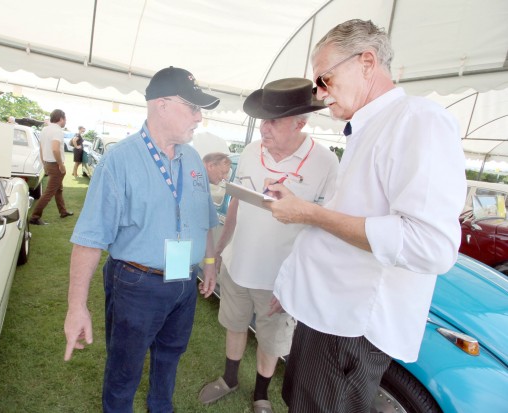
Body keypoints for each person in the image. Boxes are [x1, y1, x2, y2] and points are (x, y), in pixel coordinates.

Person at [264, 19, 466, 413]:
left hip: (349, 330)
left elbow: (431, 245)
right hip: (328, 318)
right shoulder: (371, 129)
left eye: (324, 79)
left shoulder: (418, 120)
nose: (320, 94)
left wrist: (310, 213)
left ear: (367, 62)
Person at [64, 66, 221, 413]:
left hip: (184, 281)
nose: (199, 117)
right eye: (192, 108)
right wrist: (77, 306)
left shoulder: (192, 157)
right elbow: (90, 239)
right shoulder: (119, 161)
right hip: (136, 283)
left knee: (169, 358)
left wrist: (209, 262)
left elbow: (205, 220)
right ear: (161, 105)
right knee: (124, 370)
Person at [198, 78, 339, 413]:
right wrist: (218, 255)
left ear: (301, 123)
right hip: (237, 266)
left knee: (271, 341)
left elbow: (323, 230)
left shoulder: (325, 163)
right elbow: (235, 204)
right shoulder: (249, 151)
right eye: (264, 119)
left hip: (278, 279)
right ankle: (230, 378)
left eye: (274, 121)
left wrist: (294, 282)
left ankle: (261, 395)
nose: (265, 128)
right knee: (234, 326)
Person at [29, 109, 73, 225]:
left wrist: (44, 162)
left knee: (58, 189)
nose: (66, 121)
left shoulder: (45, 129)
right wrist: (61, 165)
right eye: (65, 119)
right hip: (55, 165)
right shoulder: (57, 131)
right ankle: (35, 217)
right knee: (49, 193)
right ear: (61, 119)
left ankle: (63, 211)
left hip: (49, 163)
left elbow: (42, 147)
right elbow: (55, 149)